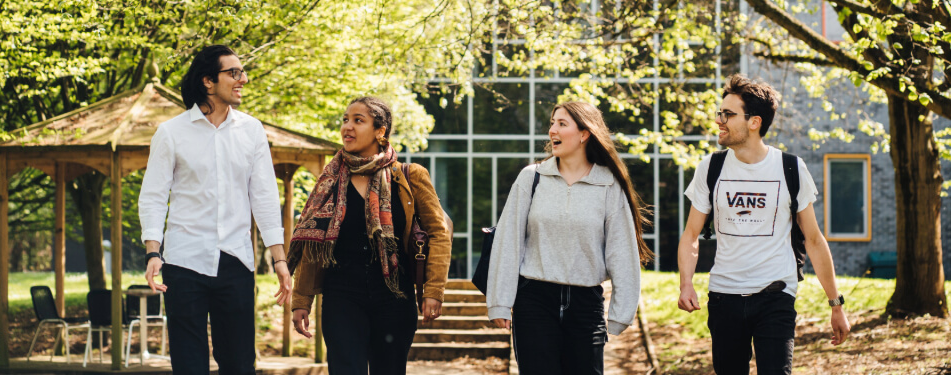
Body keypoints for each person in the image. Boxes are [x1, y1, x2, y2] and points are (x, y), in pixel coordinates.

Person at [677, 74, 851, 375]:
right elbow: (692, 234)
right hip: (724, 297)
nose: (720, 120)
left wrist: (836, 304)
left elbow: (813, 239)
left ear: (754, 122)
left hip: (776, 295)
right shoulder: (711, 167)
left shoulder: (790, 168)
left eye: (728, 114)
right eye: (720, 113)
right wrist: (685, 283)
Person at [138, 44, 291, 375]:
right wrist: (153, 252)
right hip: (184, 260)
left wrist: (279, 259)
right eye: (233, 73)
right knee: (189, 364)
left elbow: (264, 197)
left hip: (236, 261)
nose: (243, 79)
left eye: (242, 72)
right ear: (208, 81)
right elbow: (153, 195)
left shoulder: (251, 130)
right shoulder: (171, 133)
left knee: (239, 363)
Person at [287, 97, 451, 375]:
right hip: (341, 296)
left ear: (380, 131)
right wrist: (301, 300)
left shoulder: (409, 176)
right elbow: (313, 241)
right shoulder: (329, 180)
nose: (347, 127)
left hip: (395, 296)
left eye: (358, 120)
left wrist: (433, 290)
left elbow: (438, 233)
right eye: (345, 120)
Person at [485, 101, 653, 374]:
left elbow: (621, 250)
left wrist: (621, 313)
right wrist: (500, 302)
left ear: (585, 134)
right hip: (534, 302)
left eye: (562, 124)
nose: (552, 130)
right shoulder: (532, 178)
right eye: (552, 123)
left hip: (586, 305)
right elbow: (508, 242)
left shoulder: (608, 183)